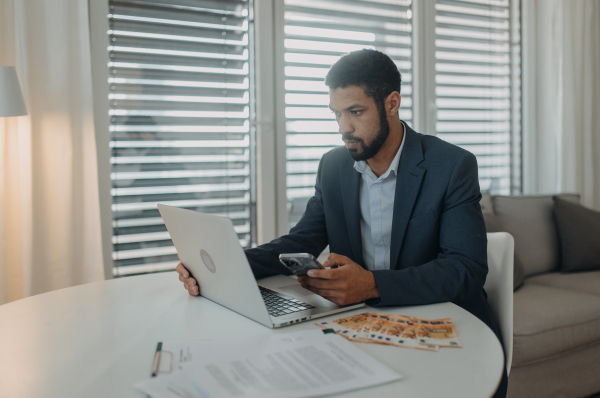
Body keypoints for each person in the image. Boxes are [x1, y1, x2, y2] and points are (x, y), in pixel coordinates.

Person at [175, 49, 507, 397]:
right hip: (363, 326)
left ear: (391, 103)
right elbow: (301, 240)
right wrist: (223, 263)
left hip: (446, 328)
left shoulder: (452, 165)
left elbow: (465, 269)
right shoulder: (333, 166)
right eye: (336, 114)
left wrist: (372, 284)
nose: (343, 127)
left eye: (356, 112)